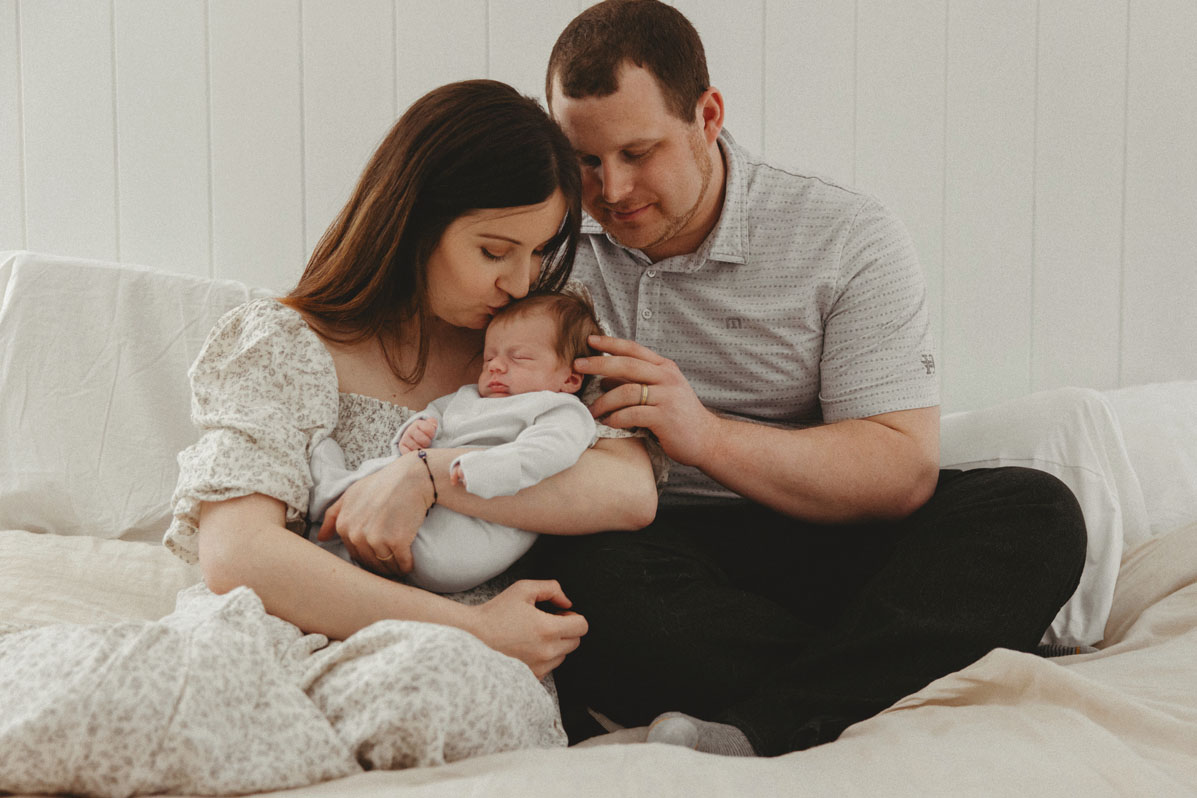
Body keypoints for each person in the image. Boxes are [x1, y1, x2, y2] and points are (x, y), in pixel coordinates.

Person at [537, 0, 1088, 756]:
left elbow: (899, 470)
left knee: (1036, 513)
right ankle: (900, 669)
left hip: (826, 534)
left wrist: (705, 435)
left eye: (638, 152)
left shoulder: (842, 235)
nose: (613, 189)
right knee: (576, 585)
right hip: (656, 554)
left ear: (707, 115)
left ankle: (765, 720)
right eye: (586, 160)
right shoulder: (545, 245)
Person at [164, 79, 659, 683]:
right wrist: (473, 629)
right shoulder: (284, 344)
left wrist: (424, 478)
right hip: (301, 618)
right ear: (415, 219)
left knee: (421, 703)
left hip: (459, 661)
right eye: (495, 251)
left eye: (538, 253)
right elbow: (239, 554)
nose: (522, 284)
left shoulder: (532, 345)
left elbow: (628, 490)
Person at [307, 290, 602, 594]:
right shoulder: (469, 395)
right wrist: (416, 430)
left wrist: (484, 468)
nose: (496, 366)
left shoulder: (559, 408)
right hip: (415, 504)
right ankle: (331, 536)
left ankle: (328, 491)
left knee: (384, 486)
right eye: (489, 357)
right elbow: (434, 413)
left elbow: (550, 451)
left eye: (519, 358)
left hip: (472, 535)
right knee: (383, 479)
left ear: (570, 379)